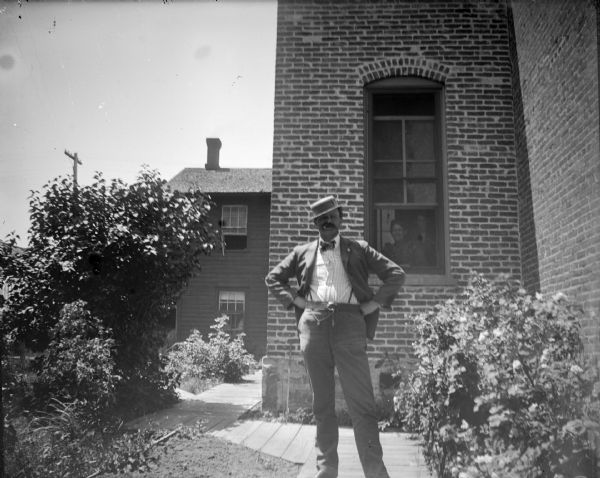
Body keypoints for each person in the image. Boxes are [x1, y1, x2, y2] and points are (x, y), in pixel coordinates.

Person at [265, 195, 405, 478]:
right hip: (314, 328)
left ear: (341, 218)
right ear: (315, 223)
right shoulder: (302, 251)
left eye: (331, 216)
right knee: (322, 404)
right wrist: (297, 302)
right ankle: (326, 470)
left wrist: (374, 303)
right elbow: (272, 278)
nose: (327, 222)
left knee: (362, 405)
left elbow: (396, 274)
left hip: (350, 326)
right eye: (321, 218)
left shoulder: (359, 249)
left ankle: (376, 473)